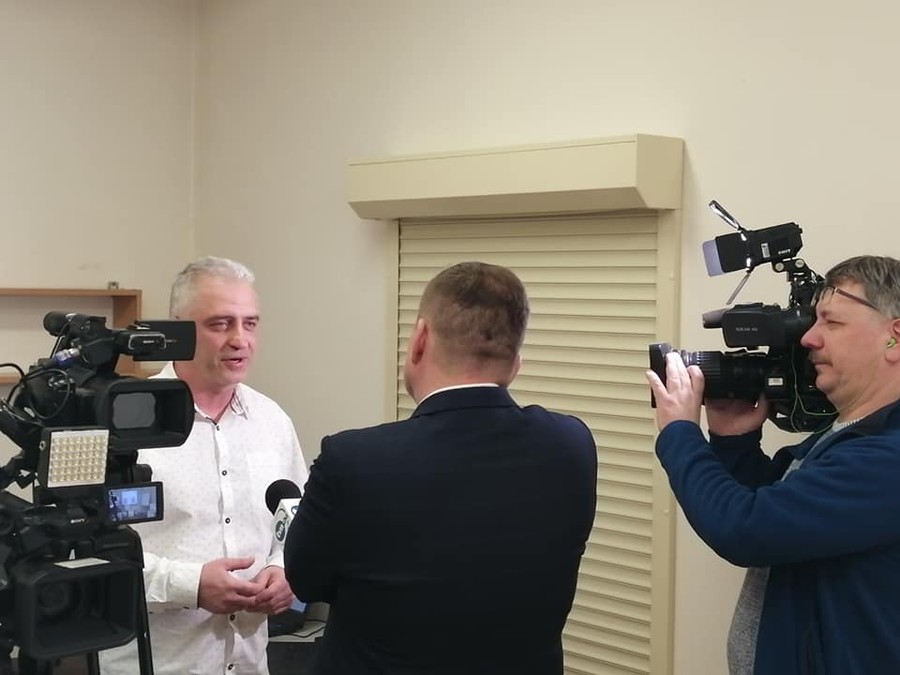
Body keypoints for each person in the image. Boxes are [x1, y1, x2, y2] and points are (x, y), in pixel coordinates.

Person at [283, 261, 597, 675]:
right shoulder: (572, 445)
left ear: (419, 340)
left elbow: (305, 584)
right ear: (515, 362)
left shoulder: (352, 460)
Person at [646, 254, 900, 675]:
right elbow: (776, 512)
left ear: (894, 337)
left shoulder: (887, 458)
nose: (809, 338)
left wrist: (678, 434)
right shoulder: (845, 434)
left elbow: (746, 530)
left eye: (832, 323)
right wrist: (734, 442)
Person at [100, 256, 308, 675]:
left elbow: (299, 520)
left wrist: (284, 570)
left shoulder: (272, 421)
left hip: (249, 663)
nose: (240, 339)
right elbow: (89, 556)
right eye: (220, 324)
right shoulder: (121, 425)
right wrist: (189, 586)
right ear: (178, 330)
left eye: (250, 323)